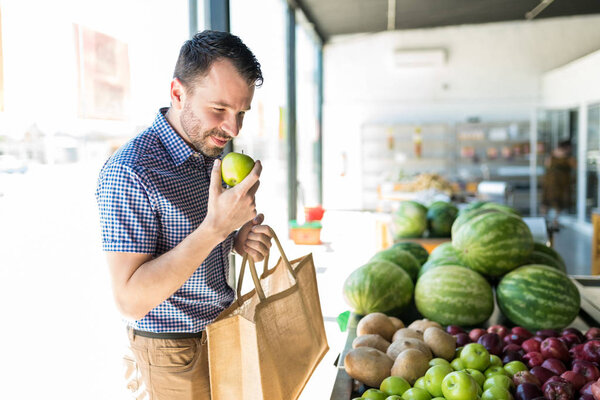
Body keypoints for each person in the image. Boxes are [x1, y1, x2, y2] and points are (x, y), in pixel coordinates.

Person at [95, 30, 273, 399]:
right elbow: (129, 299)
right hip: (171, 353)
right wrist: (215, 228)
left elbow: (191, 244)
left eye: (241, 112)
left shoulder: (207, 155)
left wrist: (234, 239)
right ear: (178, 93)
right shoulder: (131, 172)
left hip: (222, 332)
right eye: (219, 109)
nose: (233, 128)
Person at [541, 140, 577, 222]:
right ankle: (555, 221)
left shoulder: (552, 155)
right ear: (567, 147)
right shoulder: (567, 157)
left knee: (546, 201)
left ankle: (544, 220)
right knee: (557, 202)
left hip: (549, 181)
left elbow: (547, 165)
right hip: (560, 182)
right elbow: (576, 166)